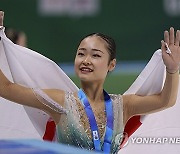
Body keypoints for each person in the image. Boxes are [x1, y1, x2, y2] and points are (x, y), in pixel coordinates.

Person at [0, 11, 180, 154]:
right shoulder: (60, 101)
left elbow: (166, 100)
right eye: (81, 53)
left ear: (111, 64)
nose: (86, 60)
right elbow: (5, 88)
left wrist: (172, 70)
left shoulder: (124, 106)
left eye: (95, 55)